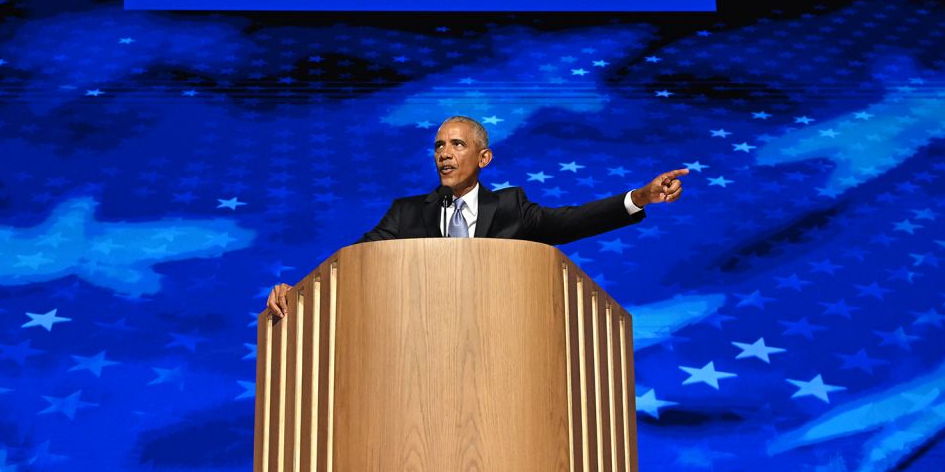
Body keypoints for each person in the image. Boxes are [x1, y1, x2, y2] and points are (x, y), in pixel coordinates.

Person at [266, 115, 688, 317]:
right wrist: (299, 290)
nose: (444, 154)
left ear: (484, 157)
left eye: (456, 145)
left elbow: (573, 220)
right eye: (438, 146)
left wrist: (641, 196)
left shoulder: (511, 208)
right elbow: (352, 261)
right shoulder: (407, 213)